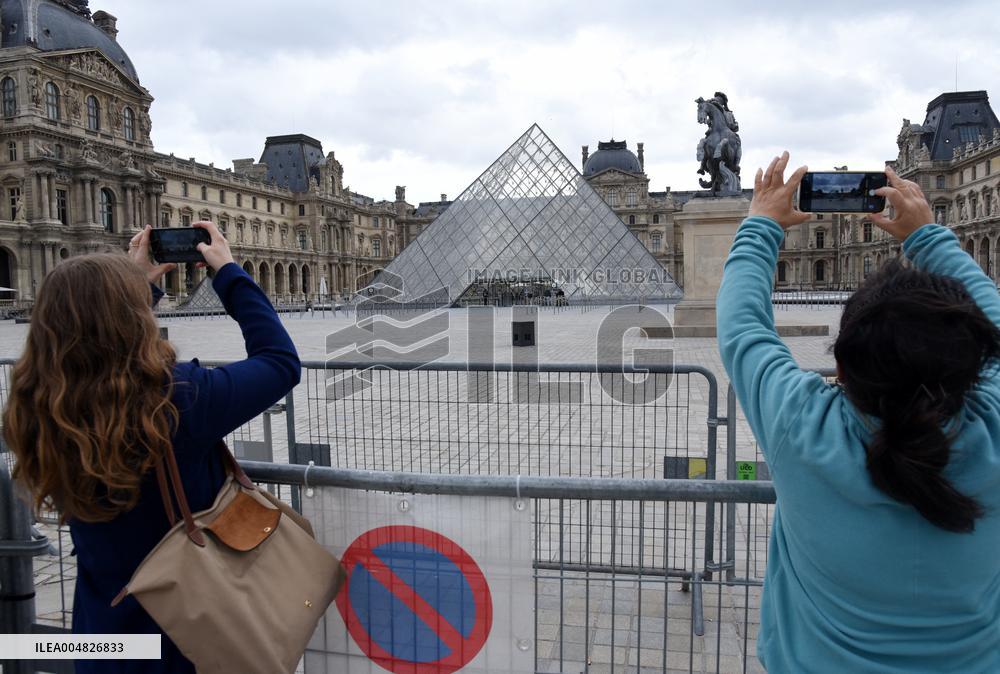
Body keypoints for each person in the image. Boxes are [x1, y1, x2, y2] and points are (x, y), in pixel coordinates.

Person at [718, 153, 1000, 673]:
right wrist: (928, 236)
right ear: (974, 359)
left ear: (841, 370)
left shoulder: (801, 426)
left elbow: (742, 328)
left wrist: (759, 224)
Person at [3, 221, 300, 673]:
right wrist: (230, 273)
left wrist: (128, 285)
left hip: (102, 637)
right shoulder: (180, 398)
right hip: (185, 638)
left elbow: (90, 343)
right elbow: (279, 362)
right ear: (136, 318)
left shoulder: (35, 405)